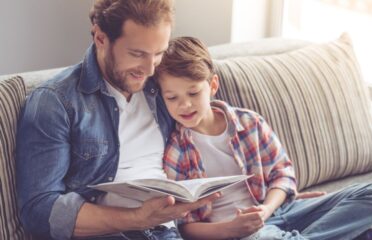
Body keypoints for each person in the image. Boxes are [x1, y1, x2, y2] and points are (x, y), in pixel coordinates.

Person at [15, 1, 220, 239]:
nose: (149, 69)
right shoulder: (55, 102)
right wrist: (139, 217)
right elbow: (39, 210)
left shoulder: (164, 86)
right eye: (137, 54)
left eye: (158, 54)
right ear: (100, 38)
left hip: (168, 232)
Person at [155, 36, 372, 240]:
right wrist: (229, 229)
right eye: (172, 98)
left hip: (279, 211)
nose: (184, 105)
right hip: (240, 232)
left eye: (193, 92)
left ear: (213, 85)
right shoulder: (177, 151)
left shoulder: (249, 123)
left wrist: (267, 209)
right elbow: (182, 225)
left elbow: (282, 175)